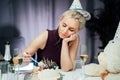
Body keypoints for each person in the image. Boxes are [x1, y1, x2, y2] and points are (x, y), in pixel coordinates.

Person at [17, 10, 86, 72]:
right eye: (64, 25)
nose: (65, 31)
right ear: (60, 20)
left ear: (77, 31)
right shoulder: (45, 36)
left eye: (71, 30)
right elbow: (17, 60)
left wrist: (65, 43)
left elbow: (66, 68)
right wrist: (24, 61)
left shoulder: (74, 39)